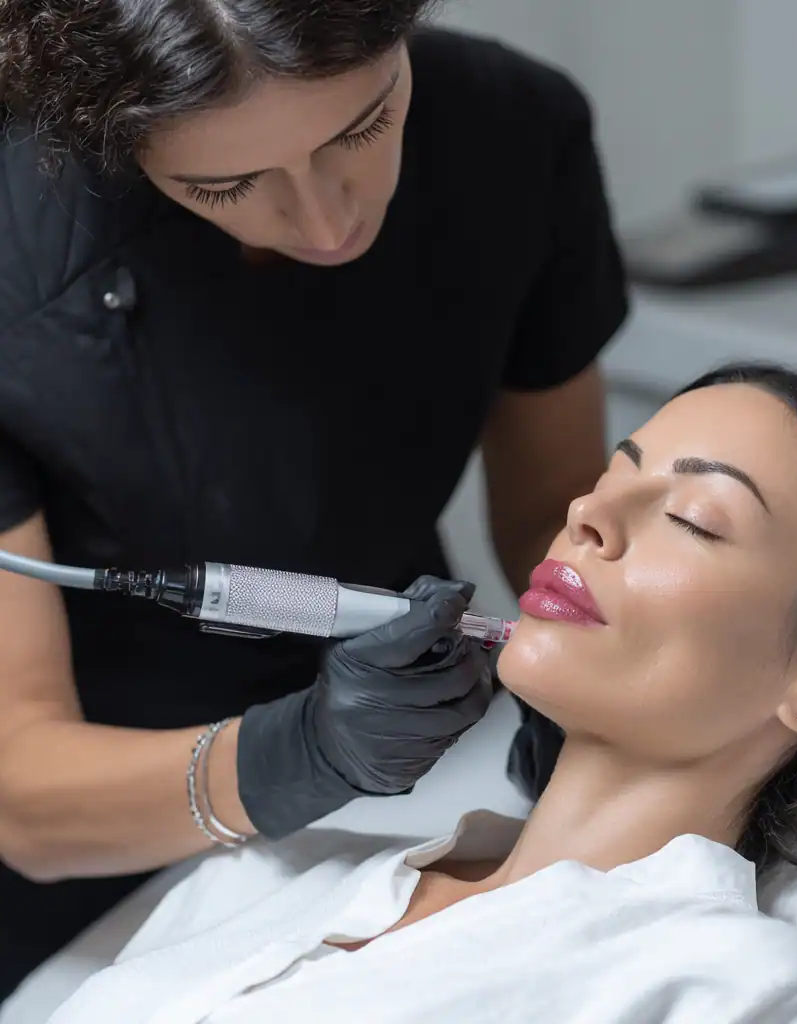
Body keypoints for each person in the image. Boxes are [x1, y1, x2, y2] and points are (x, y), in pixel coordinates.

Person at [46, 365, 797, 1023]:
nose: (588, 515)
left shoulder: (723, 987)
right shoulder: (259, 884)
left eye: (692, 518)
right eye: (608, 479)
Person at [0, 0, 628, 997]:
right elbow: (23, 795)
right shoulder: (18, 256)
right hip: (90, 855)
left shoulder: (513, 125)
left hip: (423, 766)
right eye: (229, 183)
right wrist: (302, 753)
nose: (331, 219)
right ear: (107, 141)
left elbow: (552, 502)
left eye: (364, 125)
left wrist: (615, 662)